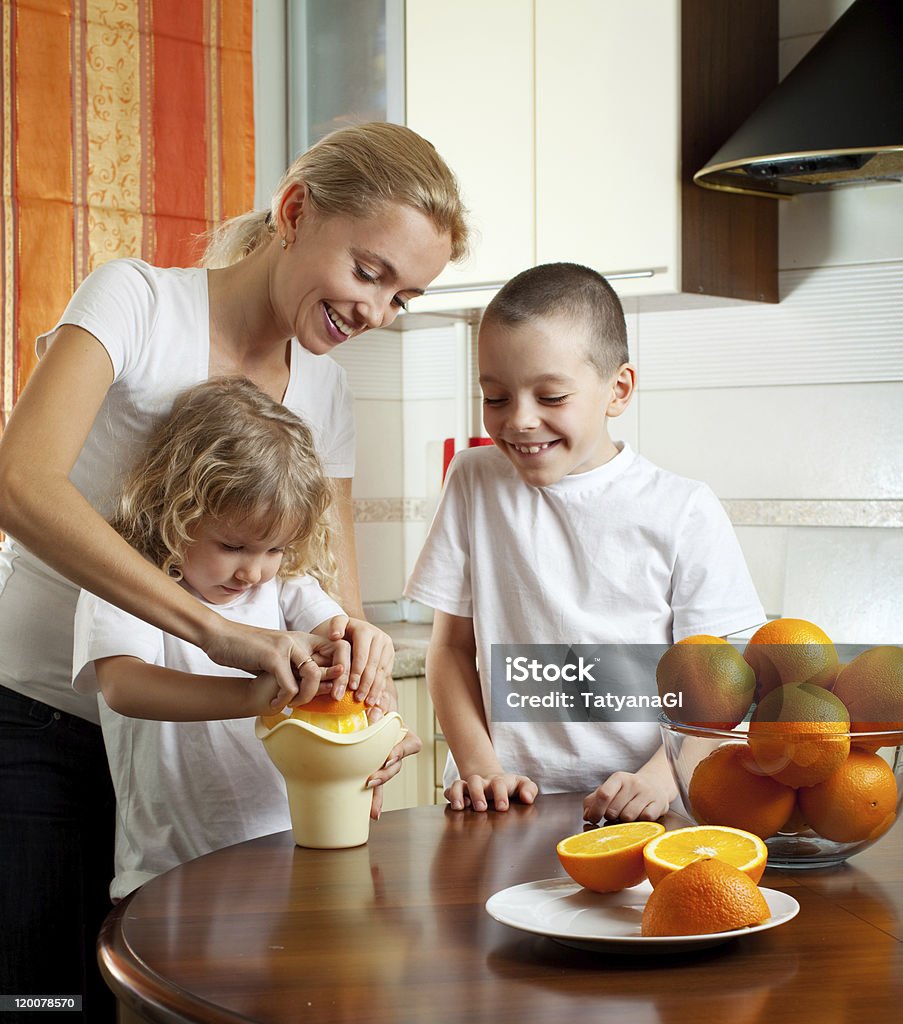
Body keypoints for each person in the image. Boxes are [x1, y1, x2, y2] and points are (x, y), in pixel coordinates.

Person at [0, 122, 467, 1021]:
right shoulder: (136, 300)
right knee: (43, 999)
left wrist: (362, 694)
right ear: (294, 213)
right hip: (41, 727)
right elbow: (20, 484)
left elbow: (328, 582)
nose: (374, 312)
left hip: (189, 761)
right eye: (368, 272)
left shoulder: (323, 388)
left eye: (402, 296)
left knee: (178, 996)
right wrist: (217, 630)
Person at [404, 262, 765, 823]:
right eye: (496, 397)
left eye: (551, 397)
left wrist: (662, 777)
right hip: (499, 804)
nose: (520, 420)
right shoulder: (474, 479)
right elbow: (450, 649)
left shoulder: (683, 508)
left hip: (646, 808)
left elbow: (720, 683)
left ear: (617, 390)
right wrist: (478, 763)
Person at [73, 376, 379, 899]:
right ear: (175, 508)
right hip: (168, 872)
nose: (254, 572)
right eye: (233, 545)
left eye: (275, 549)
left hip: (285, 856)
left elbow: (336, 633)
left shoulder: (285, 587)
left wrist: (363, 646)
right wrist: (250, 697)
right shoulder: (132, 582)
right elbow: (124, 687)